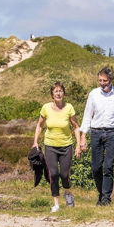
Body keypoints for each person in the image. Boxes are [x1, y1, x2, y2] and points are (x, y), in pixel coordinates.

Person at [79, 67, 114, 206]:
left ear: (111, 80)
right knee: (96, 167)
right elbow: (87, 115)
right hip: (96, 132)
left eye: (105, 81)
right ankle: (101, 194)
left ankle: (106, 199)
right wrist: (83, 136)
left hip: (113, 133)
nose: (102, 83)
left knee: (108, 166)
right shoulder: (93, 94)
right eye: (100, 80)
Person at [33, 81, 81, 212]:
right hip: (50, 146)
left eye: (60, 91)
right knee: (53, 174)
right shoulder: (46, 108)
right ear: (52, 95)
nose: (58, 93)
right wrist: (35, 142)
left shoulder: (69, 108)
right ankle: (56, 204)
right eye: (56, 91)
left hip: (66, 145)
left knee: (64, 174)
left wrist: (78, 145)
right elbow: (39, 125)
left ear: (63, 93)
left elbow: (76, 127)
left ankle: (68, 193)